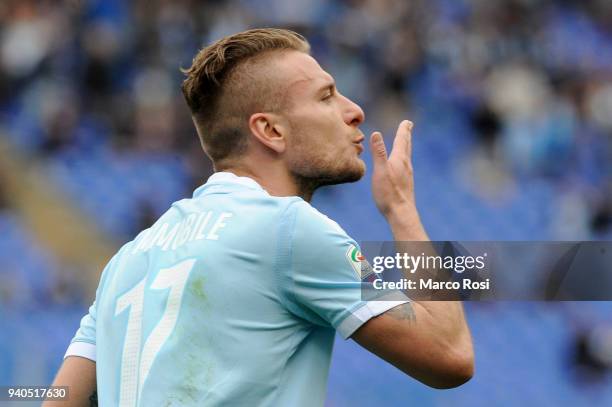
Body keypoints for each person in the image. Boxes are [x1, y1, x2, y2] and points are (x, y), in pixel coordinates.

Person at [45, 28, 473, 406]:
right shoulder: (288, 230)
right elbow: (449, 357)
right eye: (326, 96)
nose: (354, 110)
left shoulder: (129, 258)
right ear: (270, 131)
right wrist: (401, 211)